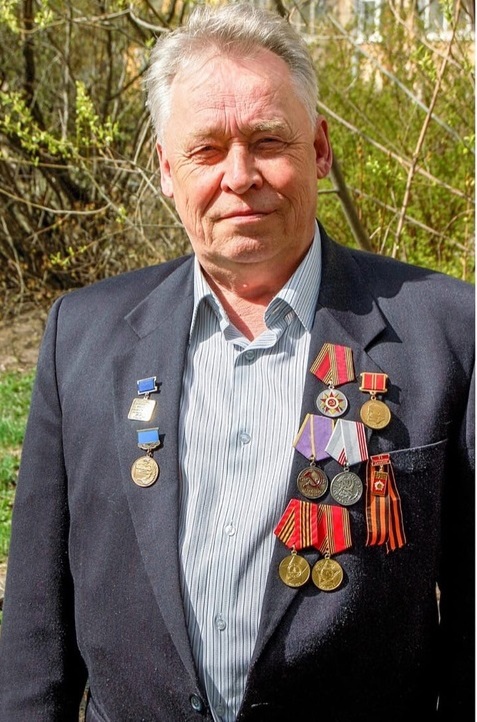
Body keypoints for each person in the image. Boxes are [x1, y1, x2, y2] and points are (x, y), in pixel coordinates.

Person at [0, 3, 474, 721]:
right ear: (167, 169)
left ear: (319, 149)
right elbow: (35, 632)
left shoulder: (447, 332)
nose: (240, 174)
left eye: (267, 140)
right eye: (206, 150)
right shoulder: (81, 337)